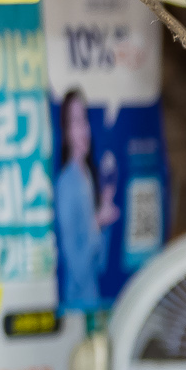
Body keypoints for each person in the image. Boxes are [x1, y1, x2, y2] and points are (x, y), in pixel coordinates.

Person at [52, 90, 114, 311]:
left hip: (93, 297)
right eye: (75, 121)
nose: (83, 130)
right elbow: (75, 264)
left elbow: (99, 262)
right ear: (66, 130)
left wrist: (104, 215)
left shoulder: (87, 174)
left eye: (84, 120)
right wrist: (97, 223)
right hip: (77, 304)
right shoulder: (66, 183)